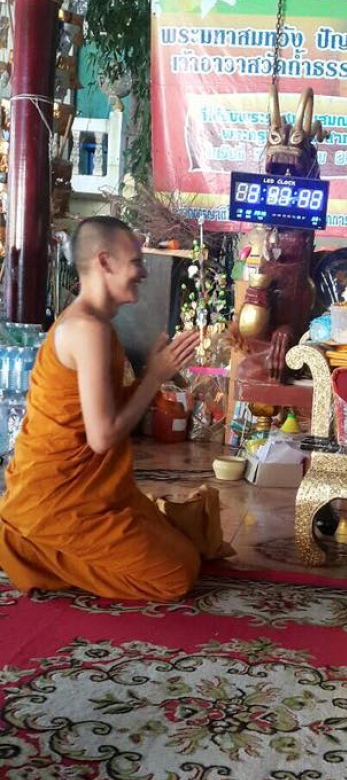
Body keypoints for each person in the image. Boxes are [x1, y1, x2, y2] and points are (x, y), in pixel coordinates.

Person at [0, 217, 204, 600]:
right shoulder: (87, 330)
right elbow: (102, 436)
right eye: (136, 261)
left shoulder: (96, 326)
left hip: (90, 492)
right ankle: (31, 547)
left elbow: (98, 416)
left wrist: (150, 375)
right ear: (105, 261)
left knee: (190, 550)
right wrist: (153, 378)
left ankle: (33, 539)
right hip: (59, 499)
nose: (143, 271)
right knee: (175, 576)